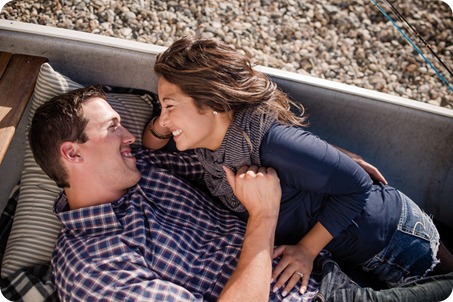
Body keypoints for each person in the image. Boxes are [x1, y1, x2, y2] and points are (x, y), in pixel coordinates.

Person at [142, 36, 453, 296]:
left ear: (211, 104)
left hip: (393, 236)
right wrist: (164, 120)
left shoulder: (271, 142)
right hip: (351, 248)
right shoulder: (210, 146)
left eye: (169, 106)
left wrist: (306, 250)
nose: (165, 119)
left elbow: (358, 185)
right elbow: (151, 144)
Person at [28, 85, 299, 301]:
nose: (129, 136)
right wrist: (263, 216)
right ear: (73, 153)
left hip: (314, 267)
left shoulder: (140, 165)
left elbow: (220, 159)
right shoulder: (89, 269)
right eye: (112, 127)